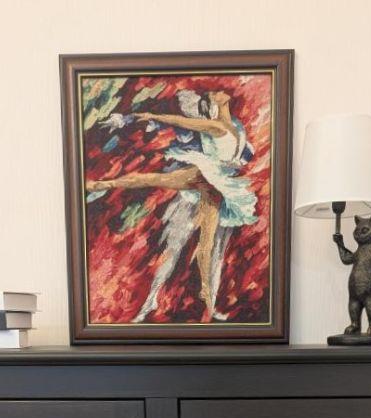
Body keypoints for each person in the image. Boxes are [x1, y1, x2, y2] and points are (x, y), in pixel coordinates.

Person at [87, 91, 257, 322]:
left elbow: (241, 154)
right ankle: (102, 184)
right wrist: (148, 116)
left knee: (206, 245)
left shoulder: (235, 126)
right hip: (205, 176)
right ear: (216, 104)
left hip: (218, 186)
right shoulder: (215, 126)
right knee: (153, 179)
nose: (217, 92)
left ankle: (208, 301)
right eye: (213, 95)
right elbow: (178, 121)